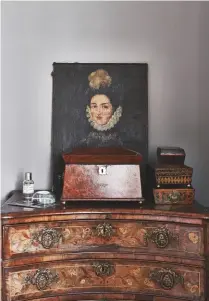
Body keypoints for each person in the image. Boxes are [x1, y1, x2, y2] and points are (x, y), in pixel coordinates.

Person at [81, 69, 124, 147]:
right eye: (94, 106)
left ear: (114, 110)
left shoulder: (121, 139)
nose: (98, 112)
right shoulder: (84, 139)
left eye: (105, 107)